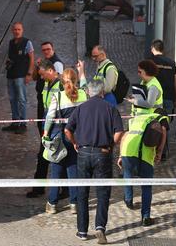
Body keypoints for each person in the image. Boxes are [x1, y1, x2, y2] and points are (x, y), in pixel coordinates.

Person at [64, 79, 124, 244]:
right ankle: (100, 227)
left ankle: (82, 231)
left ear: (88, 92)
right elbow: (119, 132)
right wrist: (111, 144)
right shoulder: (110, 109)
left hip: (83, 153)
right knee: (103, 192)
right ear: (102, 92)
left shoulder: (80, 108)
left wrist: (75, 143)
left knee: (82, 192)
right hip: (102, 153)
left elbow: (67, 130)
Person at [118, 84, 168, 226]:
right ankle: (145, 216)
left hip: (128, 151)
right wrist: (159, 152)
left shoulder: (133, 119)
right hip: (146, 155)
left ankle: (128, 200)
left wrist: (121, 155)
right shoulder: (156, 115)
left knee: (128, 174)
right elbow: (163, 133)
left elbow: (125, 136)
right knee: (146, 186)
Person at [43, 68, 87, 214]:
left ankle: (52, 203)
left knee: (56, 169)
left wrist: (45, 133)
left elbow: (50, 117)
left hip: (61, 137)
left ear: (62, 82)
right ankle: (74, 203)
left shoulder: (58, 96)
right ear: (76, 81)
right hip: (77, 137)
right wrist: (82, 72)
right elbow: (86, 87)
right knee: (73, 169)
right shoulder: (82, 94)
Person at [26, 42, 64, 198]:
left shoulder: (57, 67)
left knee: (49, 154)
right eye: (43, 50)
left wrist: (46, 130)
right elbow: (35, 78)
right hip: (46, 118)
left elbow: (54, 109)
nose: (46, 52)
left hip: (54, 123)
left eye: (48, 49)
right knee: (50, 154)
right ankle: (61, 189)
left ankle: (43, 188)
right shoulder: (46, 81)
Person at [3, 22, 34, 134]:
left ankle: (23, 123)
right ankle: (15, 122)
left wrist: (29, 74)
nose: (17, 31)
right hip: (10, 75)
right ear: (12, 31)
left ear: (22, 30)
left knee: (22, 99)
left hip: (21, 75)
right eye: (15, 29)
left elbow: (31, 58)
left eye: (19, 29)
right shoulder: (11, 42)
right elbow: (11, 57)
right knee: (12, 99)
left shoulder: (27, 42)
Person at [150, 39, 176, 115]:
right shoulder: (171, 62)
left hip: (154, 98)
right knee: (166, 123)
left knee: (154, 123)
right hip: (169, 97)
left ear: (153, 48)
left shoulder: (149, 61)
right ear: (163, 49)